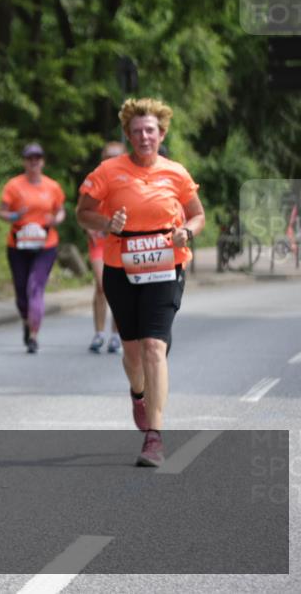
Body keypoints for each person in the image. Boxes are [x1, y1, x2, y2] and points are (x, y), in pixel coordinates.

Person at [76, 98, 204, 467]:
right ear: (129, 136)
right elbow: (83, 212)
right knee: (132, 354)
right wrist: (106, 224)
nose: (144, 136)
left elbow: (197, 215)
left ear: (161, 133)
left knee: (153, 346)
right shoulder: (108, 171)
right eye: (137, 131)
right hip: (122, 268)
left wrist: (186, 232)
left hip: (166, 266)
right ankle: (138, 394)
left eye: (150, 130)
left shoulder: (176, 173)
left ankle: (155, 437)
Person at [0, 143, 66, 353]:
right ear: (24, 162)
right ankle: (27, 322)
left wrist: (56, 220)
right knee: (21, 292)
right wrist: (15, 216)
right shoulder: (14, 186)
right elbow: (2, 212)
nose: (34, 162)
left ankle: (34, 334)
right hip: (18, 244)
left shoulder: (52, 186)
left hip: (45, 244)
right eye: (30, 158)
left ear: (43, 161)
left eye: (37, 158)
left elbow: (61, 211)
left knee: (35, 287)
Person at [86, 141, 126, 354]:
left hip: (121, 241)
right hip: (100, 241)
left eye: (116, 156)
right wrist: (92, 227)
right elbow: (83, 211)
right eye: (107, 156)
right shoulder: (94, 180)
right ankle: (99, 333)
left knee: (119, 287)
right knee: (102, 285)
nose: (111, 160)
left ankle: (116, 335)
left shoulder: (129, 179)